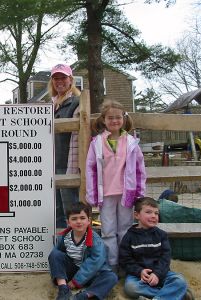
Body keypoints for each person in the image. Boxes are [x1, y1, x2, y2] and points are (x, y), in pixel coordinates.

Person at [85, 99, 146, 272]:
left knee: (125, 229)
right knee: (108, 231)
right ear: (104, 120)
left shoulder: (132, 143)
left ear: (124, 119)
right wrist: (92, 193)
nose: (114, 121)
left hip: (127, 193)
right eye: (110, 118)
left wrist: (140, 192)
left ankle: (125, 264)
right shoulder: (96, 142)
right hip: (106, 195)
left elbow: (139, 168)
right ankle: (111, 264)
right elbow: (90, 168)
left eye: (118, 117)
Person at [119, 197, 194, 300]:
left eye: (156, 213)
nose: (153, 216)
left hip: (161, 273)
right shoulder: (129, 237)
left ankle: (158, 298)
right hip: (138, 276)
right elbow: (125, 260)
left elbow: (165, 258)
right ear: (137, 215)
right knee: (130, 288)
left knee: (180, 280)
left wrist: (157, 274)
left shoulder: (161, 235)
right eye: (148, 212)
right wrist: (139, 271)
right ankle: (178, 294)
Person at [48, 202, 118, 300]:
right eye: (74, 219)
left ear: (89, 220)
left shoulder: (95, 239)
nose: (78, 221)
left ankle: (85, 295)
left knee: (111, 277)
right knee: (55, 254)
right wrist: (64, 277)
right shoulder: (64, 237)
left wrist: (76, 281)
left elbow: (96, 261)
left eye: (82, 218)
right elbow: (55, 260)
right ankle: (63, 289)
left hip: (92, 274)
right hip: (72, 271)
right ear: (68, 222)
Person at [49, 63, 82, 228]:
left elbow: (78, 138)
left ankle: (74, 248)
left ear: (70, 80)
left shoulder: (77, 103)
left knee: (70, 210)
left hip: (67, 165)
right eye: (56, 78)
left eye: (63, 77)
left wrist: (73, 167)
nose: (59, 81)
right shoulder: (51, 105)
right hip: (51, 165)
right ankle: (59, 248)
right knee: (56, 212)